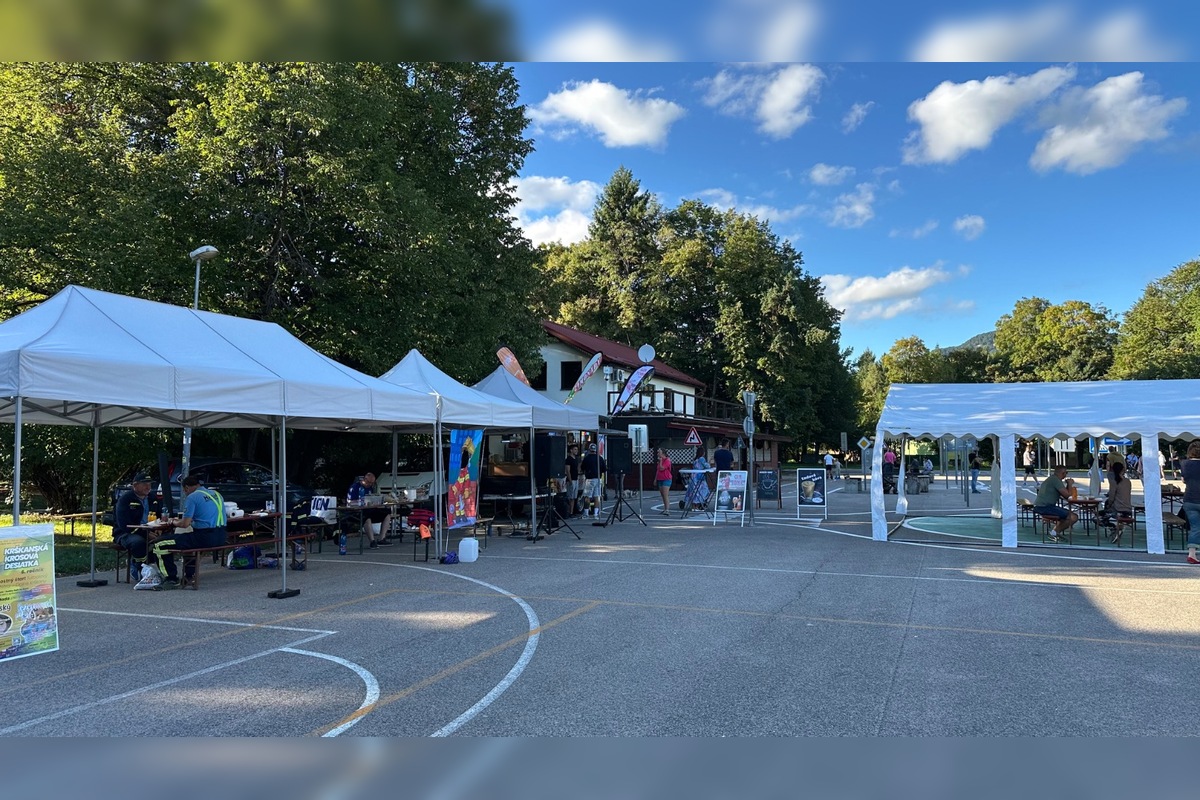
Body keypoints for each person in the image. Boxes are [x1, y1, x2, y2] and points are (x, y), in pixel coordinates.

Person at [149, 475, 228, 589]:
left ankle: (171, 578)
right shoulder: (216, 494)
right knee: (185, 541)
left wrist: (174, 522)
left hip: (204, 537)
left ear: (186, 488)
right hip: (221, 536)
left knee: (159, 544)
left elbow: (184, 524)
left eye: (184, 491)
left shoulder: (193, 497)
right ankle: (189, 575)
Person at [113, 473, 152, 577]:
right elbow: (124, 525)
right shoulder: (125, 500)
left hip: (150, 531)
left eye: (149, 484)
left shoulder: (153, 498)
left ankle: (169, 576)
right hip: (125, 533)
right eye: (144, 484)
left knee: (166, 542)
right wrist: (146, 534)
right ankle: (139, 569)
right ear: (135, 486)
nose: (148, 487)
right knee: (139, 543)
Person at [347, 471, 393, 548]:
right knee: (366, 518)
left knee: (387, 514)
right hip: (356, 511)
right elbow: (350, 502)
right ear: (364, 479)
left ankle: (382, 538)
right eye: (369, 482)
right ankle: (372, 541)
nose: (370, 485)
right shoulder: (355, 487)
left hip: (368, 509)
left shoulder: (370, 488)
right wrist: (362, 502)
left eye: (372, 483)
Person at [1033, 465, 1078, 542]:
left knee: (1065, 515)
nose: (1066, 475)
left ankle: (1055, 532)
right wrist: (1070, 484)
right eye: (1066, 472)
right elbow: (1068, 495)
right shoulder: (1056, 480)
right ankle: (1054, 533)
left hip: (1042, 506)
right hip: (1045, 507)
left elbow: (1065, 494)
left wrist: (1067, 486)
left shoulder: (1053, 479)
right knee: (1073, 517)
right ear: (1063, 473)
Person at [1099, 460, 1134, 544]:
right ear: (1123, 470)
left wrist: (1109, 504)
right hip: (1128, 509)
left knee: (1098, 517)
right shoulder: (1128, 482)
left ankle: (1113, 528)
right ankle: (1118, 529)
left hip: (1118, 509)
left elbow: (1111, 497)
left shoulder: (1114, 482)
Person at [1180, 441, 1200, 564]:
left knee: (1195, 527)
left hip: (1189, 499)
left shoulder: (1184, 464)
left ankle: (1192, 554)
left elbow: (1183, 480)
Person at [581, 443, 606, 518]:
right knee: (597, 496)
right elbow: (604, 469)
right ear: (596, 450)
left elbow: (583, 468)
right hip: (598, 479)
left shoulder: (587, 458)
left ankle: (586, 513)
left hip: (589, 479)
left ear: (589, 449)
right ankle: (596, 513)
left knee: (587, 496)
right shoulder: (600, 458)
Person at [654, 447, 674, 516]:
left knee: (665, 494)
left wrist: (661, 461)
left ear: (662, 453)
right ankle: (665, 508)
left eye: (659, 452)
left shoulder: (667, 460)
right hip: (660, 478)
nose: (657, 453)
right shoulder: (659, 461)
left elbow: (662, 468)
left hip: (666, 478)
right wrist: (655, 479)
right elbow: (658, 470)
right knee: (662, 495)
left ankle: (667, 509)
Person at [564, 442, 581, 517]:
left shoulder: (576, 459)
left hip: (576, 479)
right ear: (571, 450)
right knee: (570, 497)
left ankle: (572, 512)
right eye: (575, 449)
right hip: (571, 480)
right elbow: (567, 470)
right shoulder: (568, 459)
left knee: (574, 497)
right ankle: (568, 511)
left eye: (577, 449)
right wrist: (570, 480)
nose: (576, 451)